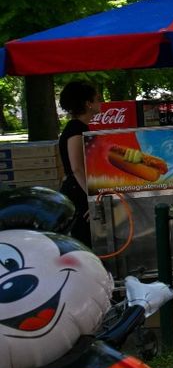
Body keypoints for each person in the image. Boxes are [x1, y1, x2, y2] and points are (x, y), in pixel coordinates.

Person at [58, 81, 98, 247]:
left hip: (77, 189)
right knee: (84, 241)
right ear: (88, 104)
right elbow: (77, 168)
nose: (100, 103)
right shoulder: (76, 129)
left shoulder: (79, 127)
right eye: (97, 100)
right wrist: (92, 197)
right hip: (78, 193)